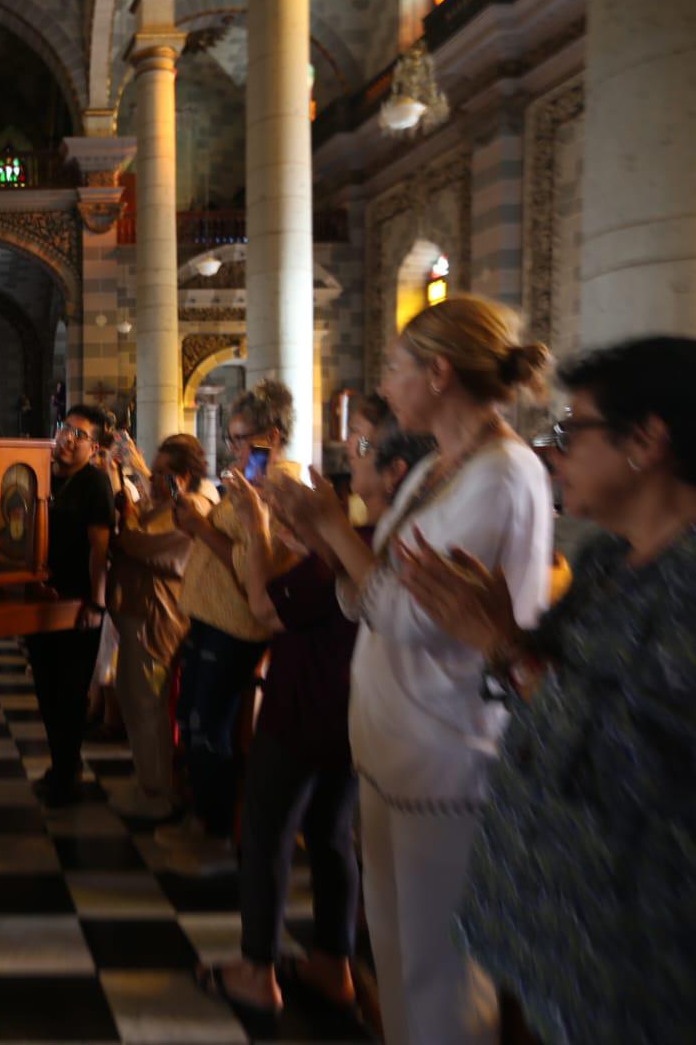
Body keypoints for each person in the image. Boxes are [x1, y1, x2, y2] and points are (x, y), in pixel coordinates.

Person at [264, 295, 553, 1045]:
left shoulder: (501, 475)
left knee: (439, 976)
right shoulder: (440, 469)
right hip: (395, 746)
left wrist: (332, 524)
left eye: (393, 369)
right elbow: (369, 596)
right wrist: (323, 537)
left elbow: (409, 613)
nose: (384, 386)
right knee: (394, 962)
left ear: (438, 372)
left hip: (445, 750)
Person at [393, 336, 696, 1044]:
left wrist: (499, 644)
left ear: (645, 439)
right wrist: (501, 637)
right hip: (559, 935)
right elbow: (544, 682)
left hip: (635, 960)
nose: (553, 451)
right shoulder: (608, 560)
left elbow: (636, 758)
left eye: (570, 431)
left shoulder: (683, 583)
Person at [198, 398, 432, 1016]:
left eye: (359, 447)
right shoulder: (391, 539)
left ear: (396, 470)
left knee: (268, 833)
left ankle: (256, 972)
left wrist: (254, 524)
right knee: (330, 835)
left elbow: (265, 607)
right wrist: (298, 531)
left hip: (306, 704)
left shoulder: (364, 544)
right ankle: (333, 964)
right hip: (353, 714)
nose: (347, 459)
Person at [166, 379, 302, 875]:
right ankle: (203, 818)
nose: (235, 446)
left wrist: (203, 530)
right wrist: (196, 524)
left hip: (235, 629)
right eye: (233, 436)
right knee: (192, 718)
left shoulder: (277, 488)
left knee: (209, 728)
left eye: (243, 438)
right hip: (209, 619)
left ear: (274, 435)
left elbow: (252, 571)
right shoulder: (249, 478)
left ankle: (219, 833)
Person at [105, 434, 212, 819]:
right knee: (134, 698)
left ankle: (157, 794)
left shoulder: (191, 509)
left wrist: (128, 520)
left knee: (147, 704)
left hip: (157, 622)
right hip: (141, 615)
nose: (153, 478)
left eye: (163, 473)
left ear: (183, 477)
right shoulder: (170, 503)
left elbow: (139, 543)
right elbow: (143, 515)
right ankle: (149, 783)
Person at [26, 404, 114, 808]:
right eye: (65, 428)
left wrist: (96, 603)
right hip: (41, 599)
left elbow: (100, 550)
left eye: (79, 435)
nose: (67, 438)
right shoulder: (41, 474)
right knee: (45, 685)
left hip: (79, 602)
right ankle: (62, 765)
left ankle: (67, 773)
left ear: (93, 447)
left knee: (71, 689)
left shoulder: (94, 484)